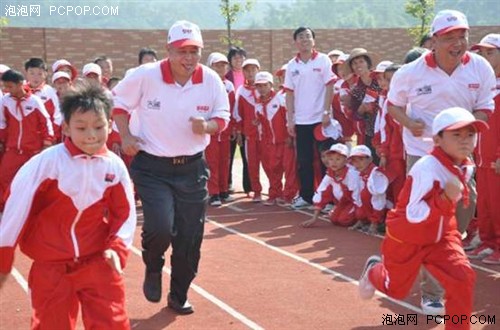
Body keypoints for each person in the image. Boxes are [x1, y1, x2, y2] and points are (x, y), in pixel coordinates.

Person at [112, 20, 230, 314]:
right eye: (182, 51)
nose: (188, 58)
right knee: (161, 227)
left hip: (191, 169)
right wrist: (125, 135)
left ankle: (179, 294)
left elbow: (223, 117)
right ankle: (153, 266)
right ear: (169, 50)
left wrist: (208, 126)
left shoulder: (211, 80)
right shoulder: (146, 75)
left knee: (190, 238)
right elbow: (118, 104)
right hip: (152, 167)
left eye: (194, 51)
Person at [0, 82, 137, 329]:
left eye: (99, 127)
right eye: (81, 128)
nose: (91, 135)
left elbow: (124, 213)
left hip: (98, 261)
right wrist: (4, 257)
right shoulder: (47, 163)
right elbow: (15, 206)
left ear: (109, 124)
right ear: (65, 127)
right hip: (51, 266)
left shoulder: (114, 167)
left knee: (113, 323)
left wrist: (117, 249)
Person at [386, 9, 496, 314]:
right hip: (422, 154)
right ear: (434, 40)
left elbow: (486, 107)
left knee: (457, 219)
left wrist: (469, 129)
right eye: (450, 37)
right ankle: (431, 291)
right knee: (424, 223)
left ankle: (439, 266)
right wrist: (409, 122)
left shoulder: (480, 68)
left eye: (462, 35)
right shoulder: (411, 72)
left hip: (460, 156)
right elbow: (393, 105)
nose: (458, 42)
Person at [359, 107, 487, 330]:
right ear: (437, 139)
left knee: (463, 278)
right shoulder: (427, 168)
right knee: (395, 290)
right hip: (408, 237)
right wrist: (445, 198)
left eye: (470, 134)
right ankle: (374, 270)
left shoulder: (466, 165)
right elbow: (413, 214)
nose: (465, 141)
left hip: (441, 238)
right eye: (456, 135)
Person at [284, 26, 337, 209]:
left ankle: (328, 199)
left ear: (313, 40)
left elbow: (330, 86)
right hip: (301, 121)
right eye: (301, 37)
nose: (305, 39)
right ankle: (306, 196)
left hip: (321, 119)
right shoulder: (292, 65)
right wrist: (290, 119)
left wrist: (326, 111)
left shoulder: (323, 60)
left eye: (308, 36)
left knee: (327, 159)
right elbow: (289, 94)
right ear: (296, 42)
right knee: (304, 160)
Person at [467, 33, 500, 264]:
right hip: (481, 156)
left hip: (496, 157)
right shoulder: (485, 86)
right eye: (483, 53)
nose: (486, 57)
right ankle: (488, 242)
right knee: (486, 204)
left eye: (491, 52)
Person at [0, 69, 54, 210]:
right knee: (5, 177)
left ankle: (32, 209)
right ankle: (7, 208)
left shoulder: (34, 101)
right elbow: (2, 123)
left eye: (9, 86)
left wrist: (46, 144)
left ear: (19, 84)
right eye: (4, 86)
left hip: (32, 151)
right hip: (12, 150)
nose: (6, 89)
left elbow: (46, 122)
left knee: (32, 181)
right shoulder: (4, 101)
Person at [254, 71, 298, 206]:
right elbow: (261, 124)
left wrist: (290, 136)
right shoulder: (258, 103)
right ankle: (275, 194)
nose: (262, 89)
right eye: (259, 86)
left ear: (271, 85)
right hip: (270, 143)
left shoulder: (280, 98)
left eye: (264, 85)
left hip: (285, 141)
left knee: (289, 169)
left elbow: (289, 117)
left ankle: (289, 195)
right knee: (273, 169)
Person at [301, 143, 360, 228]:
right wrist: (314, 218)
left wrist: (360, 218)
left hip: (356, 203)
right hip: (343, 202)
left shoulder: (351, 174)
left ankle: (364, 219)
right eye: (331, 159)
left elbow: (358, 197)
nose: (334, 162)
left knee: (344, 220)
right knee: (334, 219)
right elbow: (322, 192)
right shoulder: (330, 173)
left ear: (346, 160)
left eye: (338, 159)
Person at [205, 52, 235, 206]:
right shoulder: (205, 84)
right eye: (217, 65)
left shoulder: (229, 85)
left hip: (225, 131)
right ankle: (214, 192)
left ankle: (223, 190)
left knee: (225, 161)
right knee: (212, 162)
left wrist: (233, 128)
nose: (221, 68)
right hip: (210, 130)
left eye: (223, 65)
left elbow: (232, 108)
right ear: (210, 66)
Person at [225, 46, 251, 195]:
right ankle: (227, 183)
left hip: (245, 121)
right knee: (228, 154)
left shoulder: (250, 76)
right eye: (235, 58)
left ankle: (249, 185)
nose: (238, 60)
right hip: (229, 121)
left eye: (241, 57)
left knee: (247, 154)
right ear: (230, 61)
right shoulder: (226, 77)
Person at [349, 145, 388, 234]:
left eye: (361, 159)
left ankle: (376, 223)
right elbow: (356, 196)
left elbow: (379, 201)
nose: (358, 163)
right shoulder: (358, 173)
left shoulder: (376, 174)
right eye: (354, 160)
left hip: (384, 208)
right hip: (370, 206)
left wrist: (375, 221)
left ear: (370, 159)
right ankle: (363, 220)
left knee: (366, 194)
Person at [25, 57, 63, 141]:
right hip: (25, 139)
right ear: (26, 73)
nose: (36, 77)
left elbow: (57, 116)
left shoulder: (50, 92)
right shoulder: (21, 91)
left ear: (45, 74)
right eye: (32, 73)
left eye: (39, 74)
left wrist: (51, 137)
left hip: (45, 139)